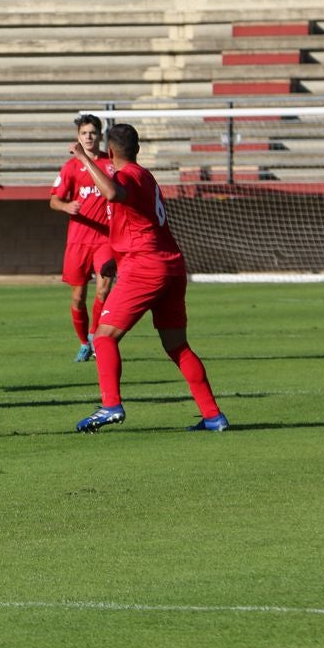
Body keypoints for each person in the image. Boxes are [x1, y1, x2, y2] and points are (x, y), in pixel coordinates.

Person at [69, 123, 229, 433]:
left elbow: (113, 193)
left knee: (103, 337)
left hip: (145, 268)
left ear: (110, 151)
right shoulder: (146, 176)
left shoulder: (125, 176)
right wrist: (118, 259)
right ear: (138, 149)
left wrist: (84, 160)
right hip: (168, 265)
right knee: (177, 346)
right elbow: (138, 222)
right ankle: (213, 416)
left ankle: (111, 406)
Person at [49, 114, 115, 362]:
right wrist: (66, 207)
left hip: (105, 239)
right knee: (78, 297)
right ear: (78, 137)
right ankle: (83, 343)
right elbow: (53, 200)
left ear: (100, 135)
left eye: (92, 133)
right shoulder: (70, 168)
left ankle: (95, 337)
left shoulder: (110, 165)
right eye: (84, 133)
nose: (88, 137)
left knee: (103, 291)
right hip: (78, 241)